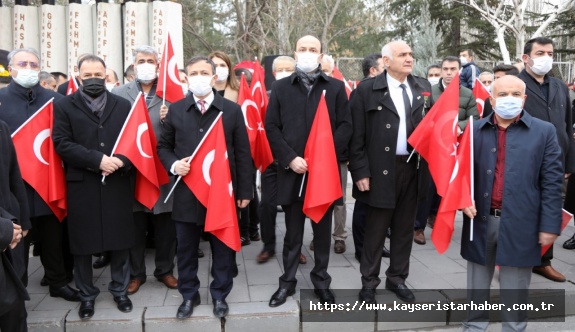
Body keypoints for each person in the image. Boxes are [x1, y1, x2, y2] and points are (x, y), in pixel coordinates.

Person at [460, 75, 563, 332]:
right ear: (491, 99)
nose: (510, 99)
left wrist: (550, 225)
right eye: (503, 94)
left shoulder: (544, 131)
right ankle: (474, 327)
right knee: (476, 288)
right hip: (480, 220)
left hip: (521, 222)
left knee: (515, 290)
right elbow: (459, 174)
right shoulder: (474, 131)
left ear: (524, 99)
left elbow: (552, 184)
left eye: (516, 94)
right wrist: (462, 199)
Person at [157, 56, 252, 319]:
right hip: (187, 192)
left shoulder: (231, 111)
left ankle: (220, 294)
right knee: (186, 248)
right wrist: (174, 165)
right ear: (186, 77)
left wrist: (245, 191)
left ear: (214, 77)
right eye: (193, 72)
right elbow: (163, 147)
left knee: (222, 247)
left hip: (222, 192)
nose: (199, 77)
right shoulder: (176, 110)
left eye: (204, 72)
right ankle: (189, 294)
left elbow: (243, 154)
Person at [266, 35, 352, 308]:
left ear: (320, 55)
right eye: (302, 49)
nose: (306, 53)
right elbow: (272, 128)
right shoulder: (280, 88)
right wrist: (290, 158)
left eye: (312, 50)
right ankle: (287, 282)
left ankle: (321, 281)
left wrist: (323, 157)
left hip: (323, 173)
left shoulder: (336, 87)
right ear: (294, 52)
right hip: (292, 172)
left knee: (322, 232)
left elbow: (346, 126)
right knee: (292, 233)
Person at [52, 54, 136, 320]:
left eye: (97, 74)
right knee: (83, 242)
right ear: (77, 76)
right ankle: (87, 295)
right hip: (82, 183)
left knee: (120, 238)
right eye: (87, 75)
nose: (93, 79)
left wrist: (121, 161)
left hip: (117, 181)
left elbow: (136, 140)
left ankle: (120, 290)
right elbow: (61, 143)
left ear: (106, 74)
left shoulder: (123, 104)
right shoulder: (64, 105)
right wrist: (97, 160)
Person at [349, 40, 431, 304]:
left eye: (411, 54)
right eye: (402, 55)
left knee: (404, 229)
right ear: (386, 61)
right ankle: (369, 283)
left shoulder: (422, 87)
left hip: (412, 168)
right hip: (379, 170)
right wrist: (360, 171)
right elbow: (356, 136)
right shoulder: (366, 91)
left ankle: (397, 278)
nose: (409, 59)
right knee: (375, 230)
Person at [0, 48, 78, 302]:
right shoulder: (1, 100)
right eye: (23, 64)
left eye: (34, 64)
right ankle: (17, 290)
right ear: (10, 69)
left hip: (48, 184)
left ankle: (58, 282)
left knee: (52, 238)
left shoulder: (55, 100)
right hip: (13, 186)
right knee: (17, 241)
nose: (29, 68)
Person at [111, 45, 179, 295]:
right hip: (132, 170)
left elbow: (183, 132)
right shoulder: (119, 93)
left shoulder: (172, 94)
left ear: (159, 64)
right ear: (133, 64)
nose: (147, 64)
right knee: (135, 225)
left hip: (163, 169)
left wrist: (169, 118)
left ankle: (165, 270)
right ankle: (136, 274)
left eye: (151, 60)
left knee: (165, 225)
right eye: (142, 60)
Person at [517, 37, 575, 283]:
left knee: (550, 210)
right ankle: (514, 259)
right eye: (540, 53)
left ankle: (543, 261)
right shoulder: (515, 84)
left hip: (556, 162)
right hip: (524, 161)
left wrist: (569, 163)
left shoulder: (559, 86)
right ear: (526, 58)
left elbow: (567, 125)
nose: (546, 58)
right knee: (523, 211)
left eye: (550, 53)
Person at [256, 55, 307, 265]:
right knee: (267, 204)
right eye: (281, 69)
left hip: (292, 159)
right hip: (269, 158)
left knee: (293, 207)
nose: (285, 72)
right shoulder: (263, 96)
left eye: (290, 68)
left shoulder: (302, 95)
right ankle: (268, 245)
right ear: (274, 73)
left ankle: (293, 246)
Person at [352, 52, 390, 262]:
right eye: (384, 68)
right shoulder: (362, 91)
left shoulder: (388, 90)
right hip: (367, 161)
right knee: (364, 208)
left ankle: (377, 245)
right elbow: (357, 132)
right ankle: (361, 249)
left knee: (380, 210)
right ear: (373, 70)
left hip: (386, 162)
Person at [0, 119, 31, 332]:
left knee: (15, 311)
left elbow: (13, 175)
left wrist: (22, 220)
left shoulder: (1, 127)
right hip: (4, 232)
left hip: (11, 229)